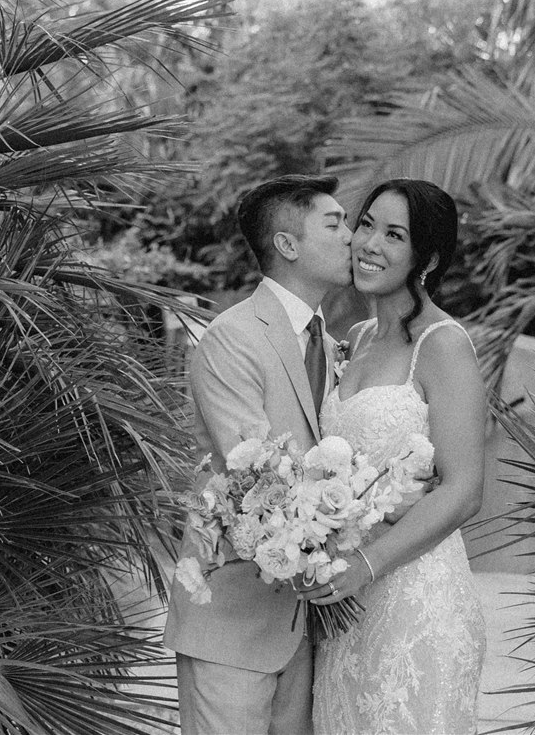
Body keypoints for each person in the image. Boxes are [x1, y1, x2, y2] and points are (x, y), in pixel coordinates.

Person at [166, 174, 356, 735]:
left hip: (302, 624)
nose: (351, 237)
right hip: (231, 618)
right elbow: (256, 476)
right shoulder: (232, 337)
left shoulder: (331, 342)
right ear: (288, 244)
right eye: (335, 222)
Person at [303, 178, 489, 735]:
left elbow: (463, 490)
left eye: (394, 235)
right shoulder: (351, 340)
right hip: (346, 610)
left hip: (415, 600)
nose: (370, 244)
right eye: (365, 225)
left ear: (425, 258)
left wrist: (367, 565)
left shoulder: (444, 345)